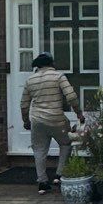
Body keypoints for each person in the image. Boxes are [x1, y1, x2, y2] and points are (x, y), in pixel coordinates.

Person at [20, 51, 79, 192]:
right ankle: (59, 175)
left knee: (39, 150)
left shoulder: (30, 80)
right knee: (66, 143)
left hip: (37, 120)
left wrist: (26, 121)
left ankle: (42, 182)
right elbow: (71, 96)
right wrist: (79, 113)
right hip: (56, 118)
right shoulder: (58, 76)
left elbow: (23, 105)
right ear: (51, 63)